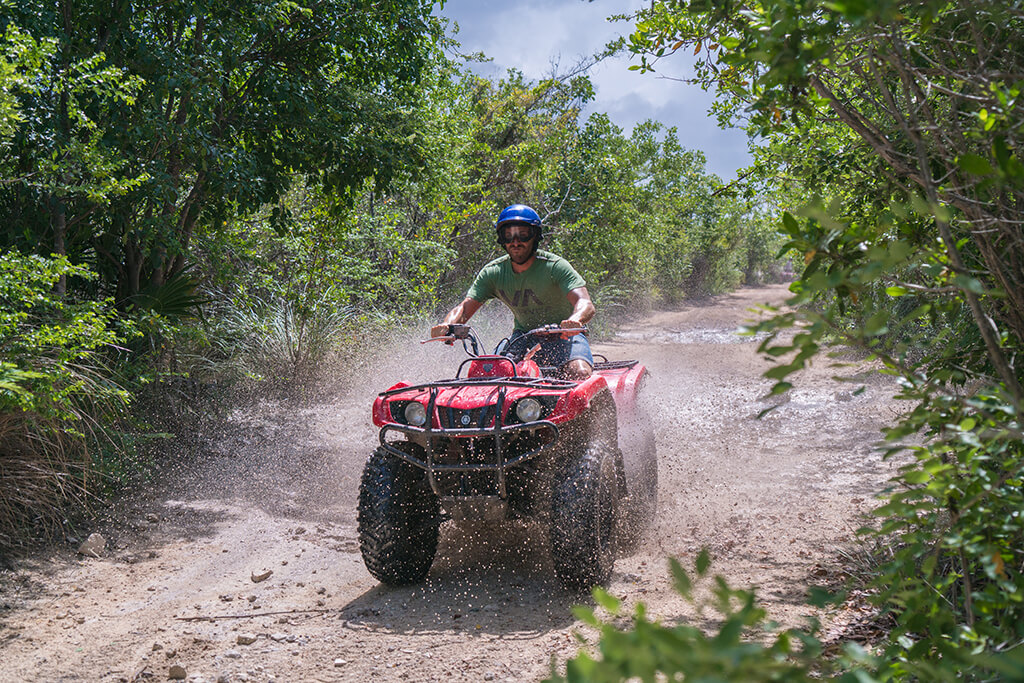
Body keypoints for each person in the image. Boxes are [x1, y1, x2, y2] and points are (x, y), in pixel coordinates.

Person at [431, 204, 596, 379]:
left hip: (565, 336)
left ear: (535, 236)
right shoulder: (493, 272)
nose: (515, 242)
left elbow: (585, 303)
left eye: (522, 235)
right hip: (522, 338)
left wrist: (574, 321)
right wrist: (447, 326)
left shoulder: (555, 266)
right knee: (488, 373)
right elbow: (464, 308)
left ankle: (600, 406)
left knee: (580, 373)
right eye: (508, 236)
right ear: (502, 240)